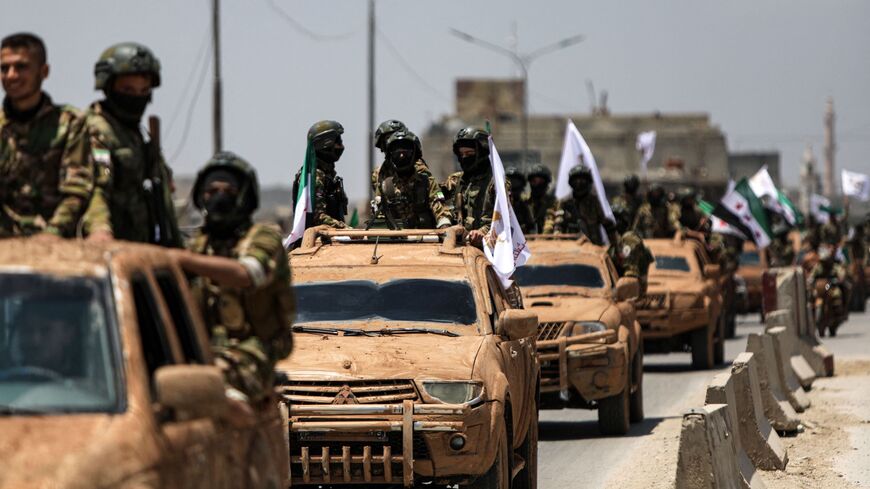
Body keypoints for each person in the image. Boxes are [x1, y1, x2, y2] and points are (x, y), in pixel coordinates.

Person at [175, 151, 294, 402]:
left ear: (244, 197)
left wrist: (185, 261)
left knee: (220, 389)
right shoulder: (198, 246)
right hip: (202, 353)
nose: (219, 198)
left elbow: (247, 274)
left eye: (228, 191)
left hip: (254, 351)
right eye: (211, 190)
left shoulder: (263, 239)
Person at [81, 42, 180, 246]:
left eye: (143, 90)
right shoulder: (95, 130)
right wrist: (101, 231)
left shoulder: (137, 135)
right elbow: (98, 188)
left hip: (143, 245)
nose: (136, 98)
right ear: (108, 87)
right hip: (108, 249)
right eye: (127, 89)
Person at [0, 32, 92, 238]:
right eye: (4, 68)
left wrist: (51, 234)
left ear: (44, 71)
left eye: (21, 67)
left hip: (56, 245)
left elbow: (77, 192)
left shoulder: (70, 123)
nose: (11, 75)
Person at [370, 130, 451, 229]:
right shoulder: (386, 185)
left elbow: (440, 208)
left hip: (425, 239)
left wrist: (445, 226)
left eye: (406, 152)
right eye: (397, 152)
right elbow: (380, 216)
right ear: (390, 156)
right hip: (394, 239)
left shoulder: (426, 182)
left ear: (415, 155)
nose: (401, 156)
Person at [442, 126, 499, 246]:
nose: (464, 158)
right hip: (459, 248)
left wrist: (482, 232)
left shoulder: (497, 183)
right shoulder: (456, 180)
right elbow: (434, 195)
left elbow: (504, 220)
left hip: (489, 250)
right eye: (461, 154)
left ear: (482, 153)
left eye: (469, 153)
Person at [293, 120, 349, 230]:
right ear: (325, 145)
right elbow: (317, 217)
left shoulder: (327, 175)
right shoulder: (314, 176)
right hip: (317, 240)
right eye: (338, 142)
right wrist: (346, 229)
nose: (341, 147)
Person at [543, 165, 616, 245]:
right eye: (576, 180)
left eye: (582, 180)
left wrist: (615, 247)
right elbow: (558, 225)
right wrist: (558, 242)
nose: (579, 183)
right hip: (571, 247)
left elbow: (607, 224)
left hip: (593, 247)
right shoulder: (565, 202)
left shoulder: (593, 201)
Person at [609, 201, 653, 294]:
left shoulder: (629, 239)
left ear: (624, 221)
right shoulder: (616, 239)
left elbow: (630, 272)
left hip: (628, 290)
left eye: (617, 219)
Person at [504, 166, 536, 234]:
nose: (512, 186)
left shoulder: (524, 205)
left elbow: (531, 227)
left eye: (516, 183)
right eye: (509, 183)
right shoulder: (498, 205)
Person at [525, 163, 556, 234]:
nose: (537, 185)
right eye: (534, 181)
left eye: (541, 181)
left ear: (547, 183)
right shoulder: (524, 202)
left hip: (547, 242)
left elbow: (549, 221)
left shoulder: (552, 202)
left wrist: (541, 240)